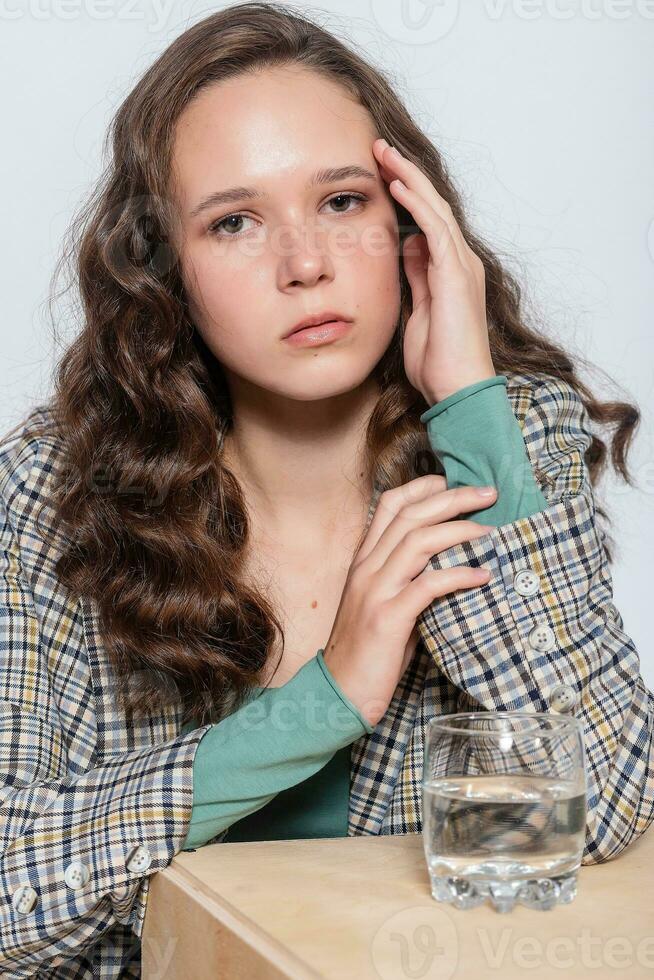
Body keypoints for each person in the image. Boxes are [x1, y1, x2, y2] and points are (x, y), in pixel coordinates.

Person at [1, 2, 652, 976]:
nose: (305, 265)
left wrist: (471, 406)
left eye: (343, 201)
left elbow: (596, 804)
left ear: (411, 219)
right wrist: (325, 700)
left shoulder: (520, 437)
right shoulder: (52, 487)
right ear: (165, 270)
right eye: (234, 221)